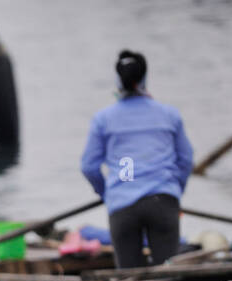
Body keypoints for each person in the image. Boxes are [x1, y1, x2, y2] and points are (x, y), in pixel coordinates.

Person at [80, 50, 193, 269]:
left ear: (117, 80)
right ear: (144, 79)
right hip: (163, 202)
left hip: (123, 206)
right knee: (168, 275)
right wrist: (173, 190)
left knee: (128, 277)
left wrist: (107, 194)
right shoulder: (169, 115)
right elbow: (186, 161)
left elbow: (89, 167)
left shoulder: (104, 119)